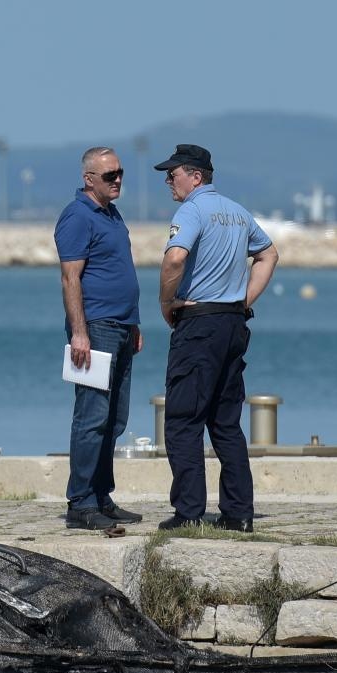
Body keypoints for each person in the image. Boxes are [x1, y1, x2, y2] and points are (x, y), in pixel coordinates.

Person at [154, 144, 277, 532]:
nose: (168, 181)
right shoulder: (237, 212)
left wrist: (166, 301)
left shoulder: (191, 209)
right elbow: (269, 254)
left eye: (172, 174)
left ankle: (189, 511)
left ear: (195, 175)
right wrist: (244, 300)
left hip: (199, 323)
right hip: (232, 323)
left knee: (182, 419)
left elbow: (175, 258)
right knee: (226, 422)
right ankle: (239, 512)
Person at [54, 146, 143, 530]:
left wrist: (134, 324)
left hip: (121, 327)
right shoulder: (77, 216)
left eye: (120, 172)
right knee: (91, 417)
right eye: (110, 175)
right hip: (95, 329)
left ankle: (102, 495)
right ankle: (81, 502)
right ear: (89, 179)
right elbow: (70, 278)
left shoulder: (111, 213)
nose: (118, 179)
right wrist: (79, 332)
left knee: (115, 418)